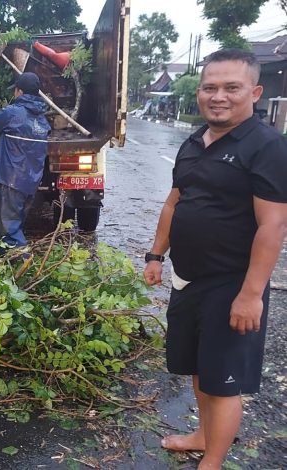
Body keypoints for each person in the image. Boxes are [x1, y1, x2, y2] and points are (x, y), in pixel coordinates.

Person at [143, 49, 287, 469]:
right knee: (199, 367)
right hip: (187, 279)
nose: (218, 96)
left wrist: (251, 295)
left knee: (223, 382)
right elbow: (174, 203)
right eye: (210, 87)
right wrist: (156, 254)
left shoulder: (267, 147)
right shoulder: (193, 142)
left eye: (231, 88)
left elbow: (273, 226)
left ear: (255, 92)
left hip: (231, 284)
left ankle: (214, 461)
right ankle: (202, 435)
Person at [0, 72, 50, 248]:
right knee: (15, 224)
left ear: (18, 91)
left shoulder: (13, 113)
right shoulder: (42, 120)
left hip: (11, 180)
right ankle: (8, 266)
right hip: (30, 182)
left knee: (9, 231)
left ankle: (21, 260)